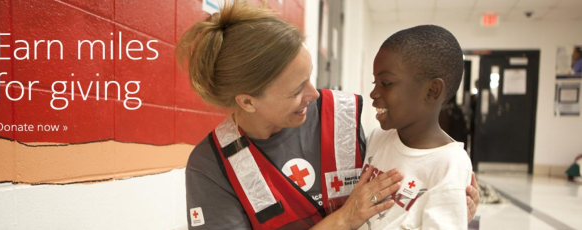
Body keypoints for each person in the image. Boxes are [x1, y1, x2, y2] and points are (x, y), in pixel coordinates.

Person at [176, 3, 480, 229]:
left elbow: (403, 191)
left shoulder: (345, 117)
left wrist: (445, 202)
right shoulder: (212, 166)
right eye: (296, 90)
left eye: (311, 78)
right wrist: (343, 220)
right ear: (248, 101)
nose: (315, 94)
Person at [360, 25, 473, 229]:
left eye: (385, 83)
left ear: (432, 91)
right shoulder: (378, 138)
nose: (373, 93)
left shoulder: (449, 164)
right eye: (374, 82)